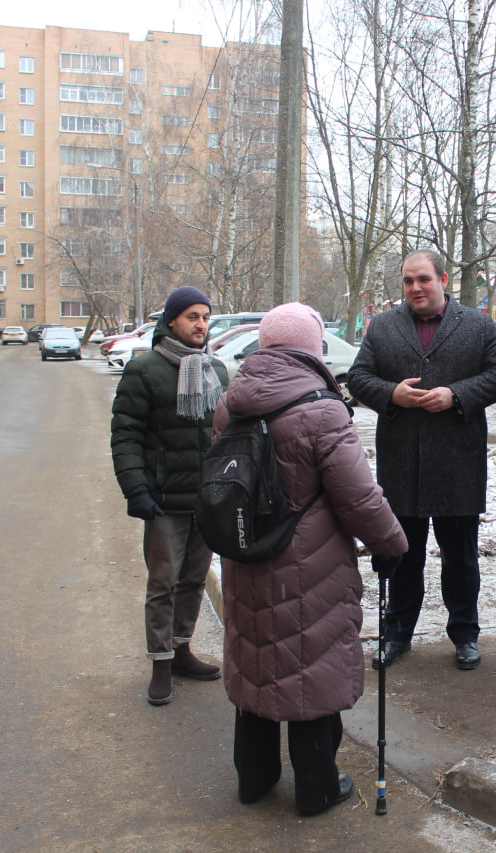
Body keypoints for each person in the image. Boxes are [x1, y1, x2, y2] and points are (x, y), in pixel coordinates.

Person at [215, 302, 407, 817]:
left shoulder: (231, 402)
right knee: (308, 667)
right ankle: (317, 788)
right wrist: (392, 544)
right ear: (312, 348)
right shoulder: (322, 409)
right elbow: (359, 497)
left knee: (257, 658)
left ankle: (254, 779)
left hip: (245, 554)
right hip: (309, 565)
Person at [348, 248, 496, 671]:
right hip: (402, 462)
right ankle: (397, 634)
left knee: (461, 559)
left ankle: (465, 634)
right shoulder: (383, 326)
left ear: (442, 279)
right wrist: (392, 394)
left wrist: (456, 394)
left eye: (423, 279)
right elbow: (358, 378)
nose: (415, 287)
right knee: (402, 556)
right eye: (408, 281)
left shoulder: (477, 325)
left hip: (458, 462)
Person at [111, 286, 230, 706]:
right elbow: (125, 434)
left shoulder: (216, 368)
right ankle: (160, 662)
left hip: (206, 498)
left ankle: (181, 651)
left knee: (194, 579)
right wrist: (136, 489)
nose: (201, 325)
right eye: (192, 316)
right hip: (163, 500)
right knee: (163, 582)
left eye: (205, 317)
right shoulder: (144, 369)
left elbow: (227, 432)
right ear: (172, 320)